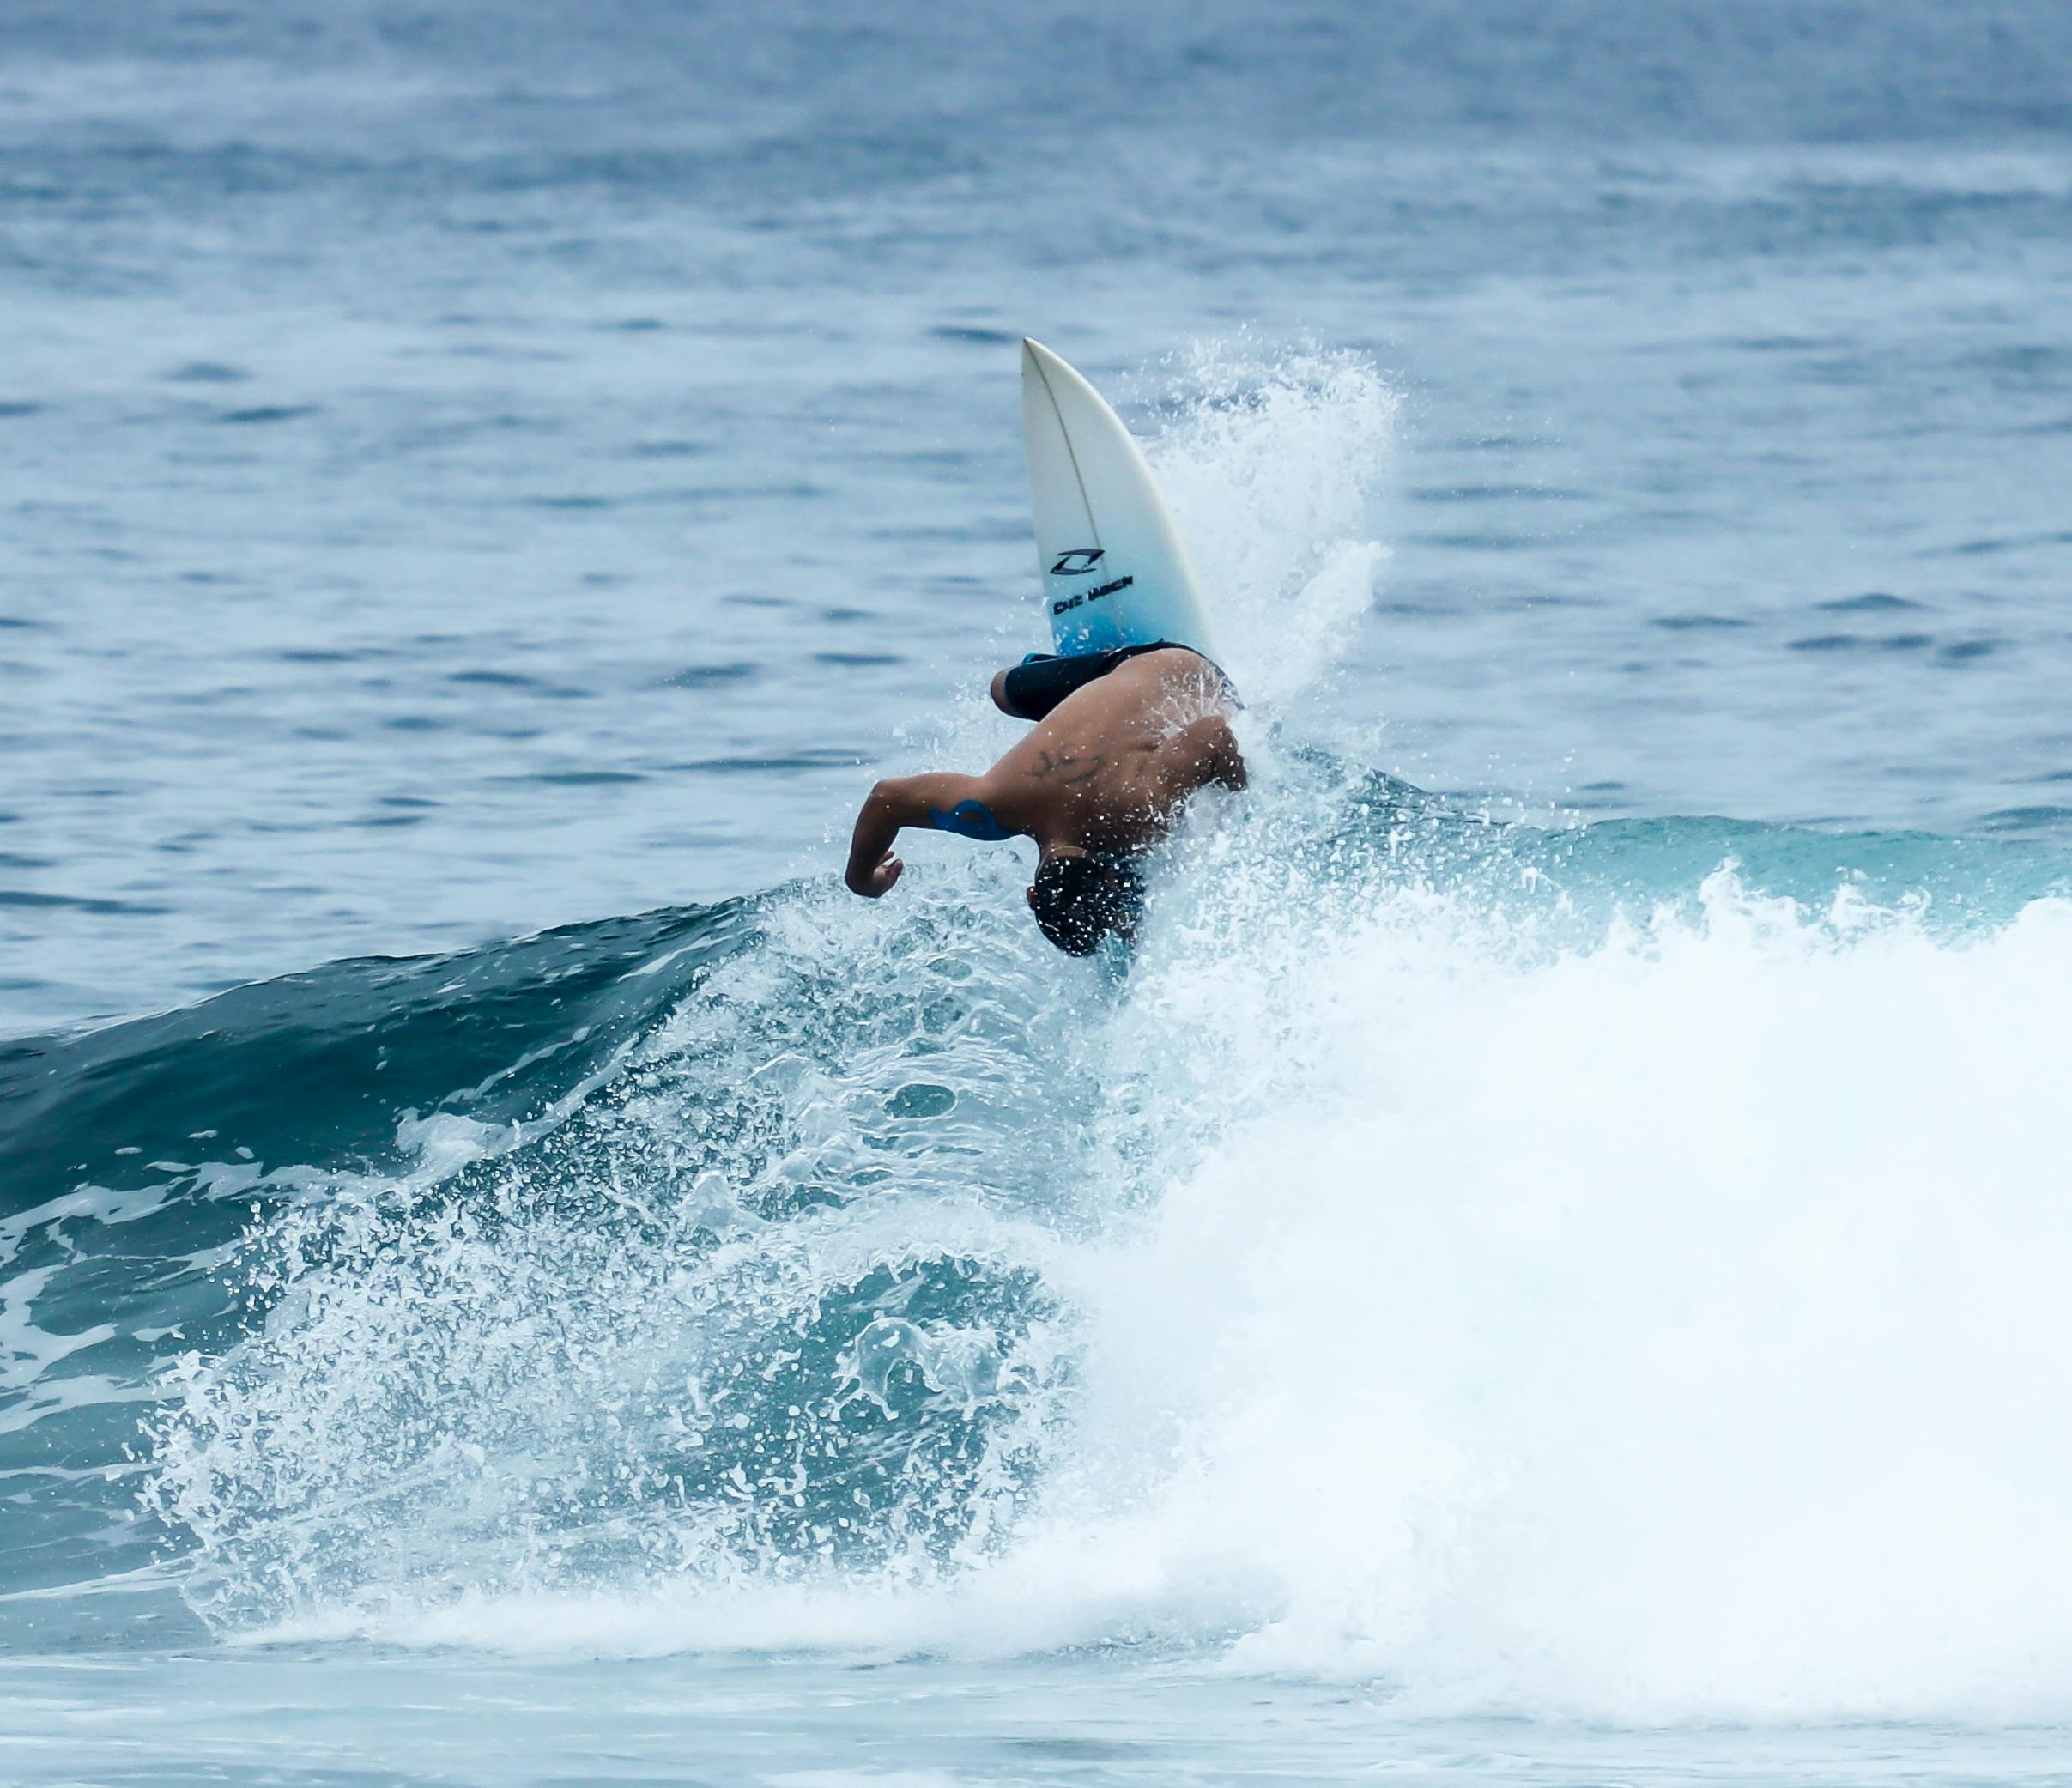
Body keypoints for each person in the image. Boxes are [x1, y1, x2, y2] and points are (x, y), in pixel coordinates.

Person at [844, 642, 1246, 954]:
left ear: (1107, 879)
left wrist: (1237, 808)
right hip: (1130, 670)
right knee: (1003, 689)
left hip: (1191, 672)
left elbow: (1215, 731)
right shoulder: (989, 809)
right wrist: (860, 880)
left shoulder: (1139, 815)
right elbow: (887, 797)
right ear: (1032, 896)